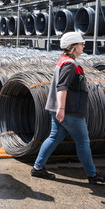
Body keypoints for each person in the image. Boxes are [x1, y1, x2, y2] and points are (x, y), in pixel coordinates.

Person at [31, 32, 105, 184]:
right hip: (70, 111)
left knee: (54, 137)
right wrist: (62, 108)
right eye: (81, 44)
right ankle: (92, 174)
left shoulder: (65, 61)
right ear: (73, 47)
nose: (83, 46)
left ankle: (38, 168)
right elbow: (62, 87)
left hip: (62, 109)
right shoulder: (69, 65)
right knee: (83, 142)